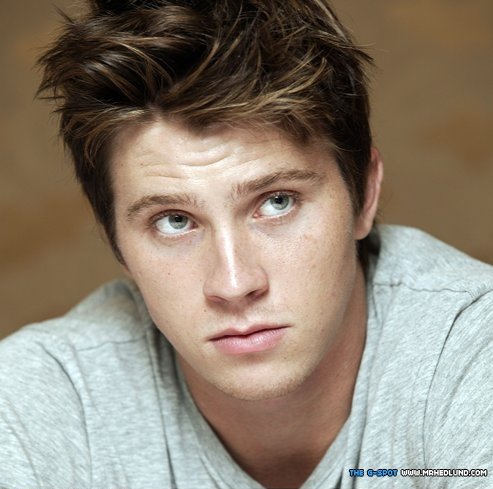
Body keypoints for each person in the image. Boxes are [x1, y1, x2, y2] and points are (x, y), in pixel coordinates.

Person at [0, 0, 491, 488]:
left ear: (363, 194)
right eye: (174, 221)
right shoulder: (38, 399)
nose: (234, 284)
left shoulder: (472, 351)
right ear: (115, 241)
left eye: (277, 202)